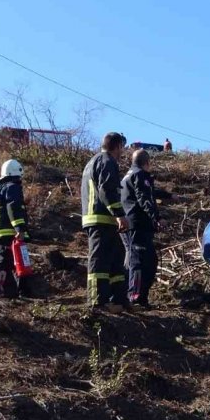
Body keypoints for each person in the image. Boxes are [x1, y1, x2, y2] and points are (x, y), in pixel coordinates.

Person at [82, 132, 131, 313]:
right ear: (117, 146)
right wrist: (119, 214)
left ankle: (119, 298)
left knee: (115, 260)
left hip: (103, 221)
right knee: (99, 262)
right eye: (121, 148)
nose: (122, 152)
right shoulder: (107, 161)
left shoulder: (93, 162)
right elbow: (107, 190)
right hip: (100, 220)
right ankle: (97, 301)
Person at [120, 150, 172, 309]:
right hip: (137, 226)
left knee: (143, 260)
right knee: (140, 262)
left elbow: (148, 191)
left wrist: (168, 195)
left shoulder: (128, 177)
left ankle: (137, 297)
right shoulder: (140, 175)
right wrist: (157, 218)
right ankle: (135, 298)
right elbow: (144, 198)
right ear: (146, 163)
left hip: (130, 225)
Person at [0, 159, 30, 299]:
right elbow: (14, 207)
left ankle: (15, 292)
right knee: (5, 262)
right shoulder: (11, 187)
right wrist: (19, 228)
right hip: (8, 232)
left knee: (10, 262)